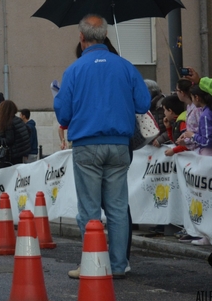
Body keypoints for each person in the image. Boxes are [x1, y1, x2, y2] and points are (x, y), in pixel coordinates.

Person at [54, 14, 150, 280]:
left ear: (81, 37)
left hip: (86, 144)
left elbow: (63, 115)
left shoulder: (74, 70)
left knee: (89, 208)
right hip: (119, 144)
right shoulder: (125, 66)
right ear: (105, 35)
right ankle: (119, 264)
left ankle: (93, 262)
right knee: (118, 207)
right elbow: (143, 103)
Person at [0, 100, 31, 167]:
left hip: (13, 155)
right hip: (20, 153)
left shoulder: (9, 123)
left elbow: (9, 140)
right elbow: (28, 132)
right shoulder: (17, 119)